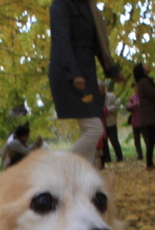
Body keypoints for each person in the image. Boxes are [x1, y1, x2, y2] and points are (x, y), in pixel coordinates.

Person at [49, 0, 123, 164]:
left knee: (91, 132)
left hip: (86, 75)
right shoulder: (61, 5)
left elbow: (97, 43)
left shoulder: (88, 7)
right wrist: (74, 74)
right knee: (94, 129)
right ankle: (57, 167)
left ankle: (82, 182)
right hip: (68, 74)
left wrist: (112, 71)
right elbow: (62, 41)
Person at [133, 63, 155, 170]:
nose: (147, 65)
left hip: (148, 113)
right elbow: (153, 94)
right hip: (148, 114)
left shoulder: (143, 82)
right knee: (151, 139)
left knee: (151, 138)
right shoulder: (144, 82)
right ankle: (149, 163)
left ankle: (150, 163)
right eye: (145, 65)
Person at [101, 81, 123, 163]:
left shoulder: (111, 96)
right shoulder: (95, 97)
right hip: (101, 122)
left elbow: (116, 106)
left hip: (111, 121)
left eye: (100, 87)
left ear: (103, 87)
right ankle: (107, 157)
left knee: (114, 139)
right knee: (103, 140)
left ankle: (119, 156)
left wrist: (107, 109)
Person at [126, 92, 143, 161]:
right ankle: (140, 154)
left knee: (146, 137)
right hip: (135, 120)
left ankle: (149, 152)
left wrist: (138, 104)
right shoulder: (133, 97)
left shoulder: (144, 96)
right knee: (136, 139)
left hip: (143, 120)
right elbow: (127, 107)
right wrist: (133, 105)